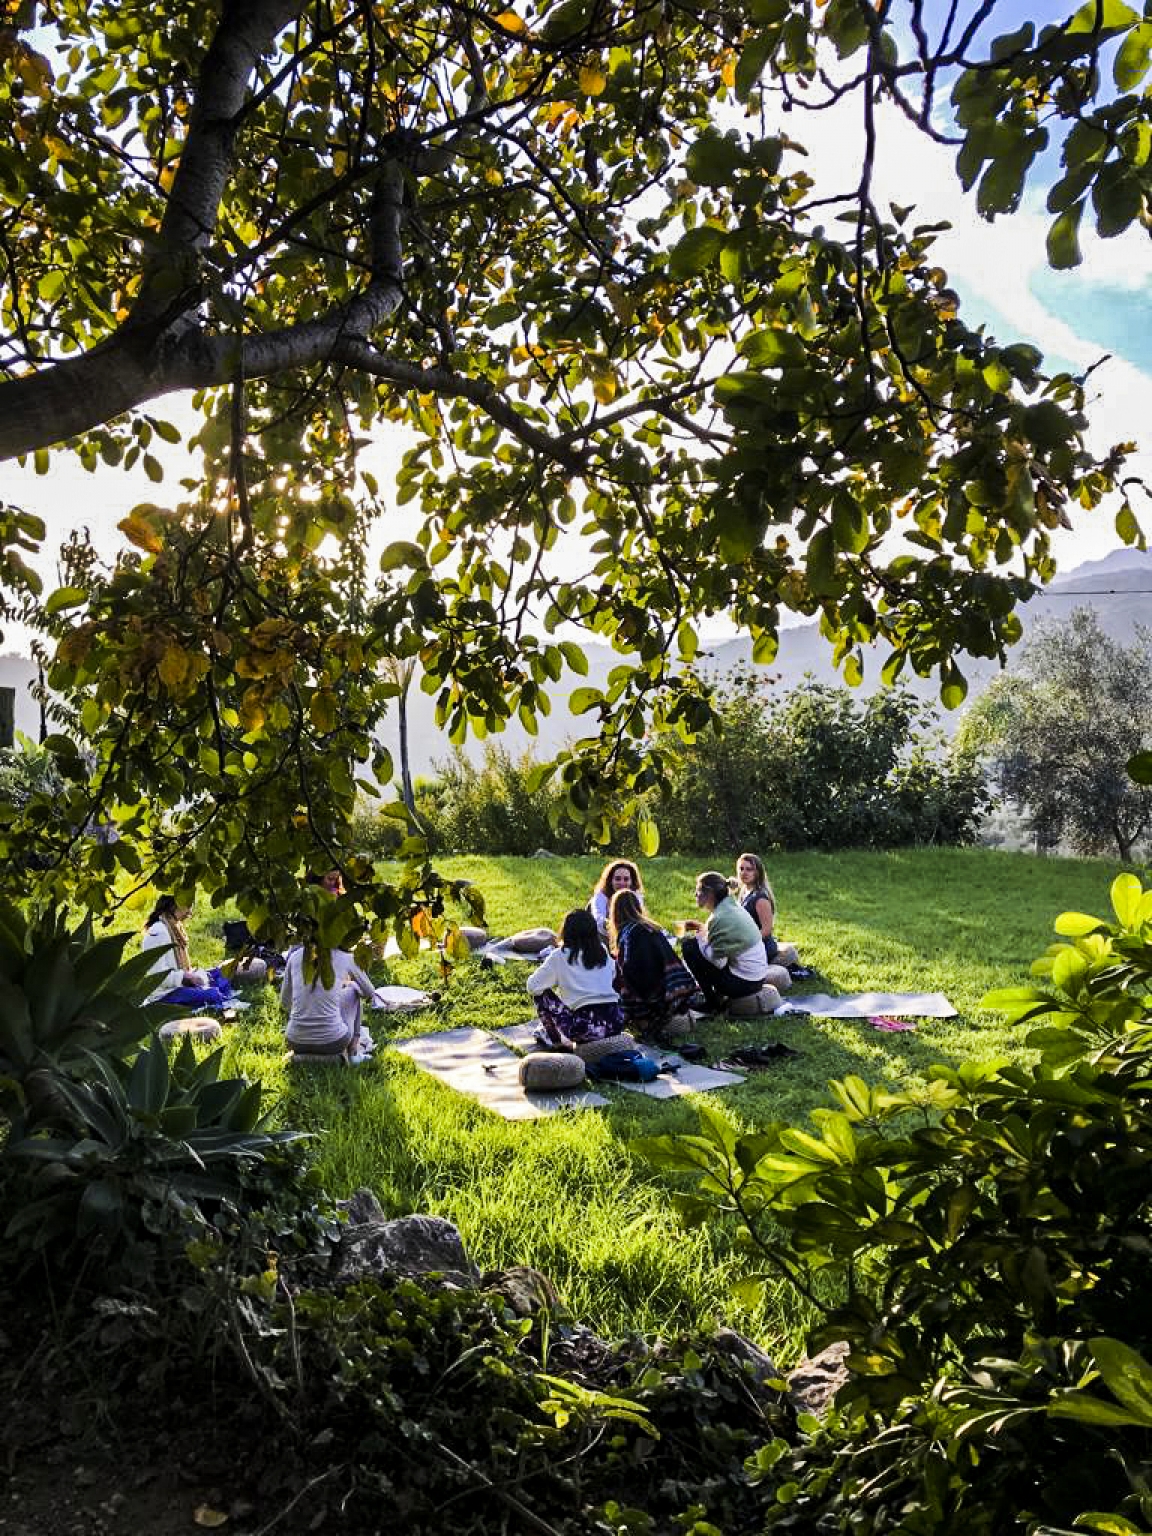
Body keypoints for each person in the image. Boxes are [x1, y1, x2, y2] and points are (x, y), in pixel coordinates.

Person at [526, 908, 624, 1047]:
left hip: (583, 1027)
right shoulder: (602, 949)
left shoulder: (559, 955)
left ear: (566, 931)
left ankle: (556, 1042)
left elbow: (532, 986)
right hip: (616, 1021)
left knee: (541, 995)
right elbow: (614, 975)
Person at [609, 889, 697, 1040]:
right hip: (674, 992)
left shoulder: (627, 934)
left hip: (653, 999)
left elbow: (630, 973)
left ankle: (646, 1021)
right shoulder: (652, 928)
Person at [680, 870, 770, 1011]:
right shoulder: (730, 906)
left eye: (698, 890)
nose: (695, 894)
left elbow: (719, 962)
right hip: (757, 979)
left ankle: (712, 1003)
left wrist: (700, 937)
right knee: (696, 945)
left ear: (709, 893)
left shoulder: (719, 917)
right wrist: (703, 931)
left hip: (744, 984)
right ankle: (716, 997)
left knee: (689, 947)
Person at [280, 944, 378, 1057]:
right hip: (334, 1043)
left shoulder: (295, 957)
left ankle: (303, 1051)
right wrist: (350, 984)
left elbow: (285, 1001)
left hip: (295, 1041)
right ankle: (353, 1049)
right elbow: (370, 992)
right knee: (353, 990)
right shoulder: (345, 957)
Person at [141, 896, 236, 1010]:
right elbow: (157, 977)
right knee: (212, 994)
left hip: (180, 985)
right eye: (188, 907)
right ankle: (216, 996)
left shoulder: (174, 927)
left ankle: (213, 993)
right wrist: (186, 977)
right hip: (165, 995)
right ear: (175, 905)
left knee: (220, 974)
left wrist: (190, 975)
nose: (190, 912)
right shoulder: (158, 931)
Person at [734, 852, 799, 967]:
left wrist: (743, 944)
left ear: (757, 873)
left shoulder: (760, 898)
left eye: (749, 869)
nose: (744, 872)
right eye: (741, 868)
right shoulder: (744, 891)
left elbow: (766, 930)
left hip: (760, 947)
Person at [588, 859, 645, 939]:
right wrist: (613, 926)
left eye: (626, 879)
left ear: (632, 881)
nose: (622, 883)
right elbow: (598, 920)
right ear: (610, 880)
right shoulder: (601, 896)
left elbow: (640, 919)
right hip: (603, 937)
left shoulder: (635, 896)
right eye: (618, 879)